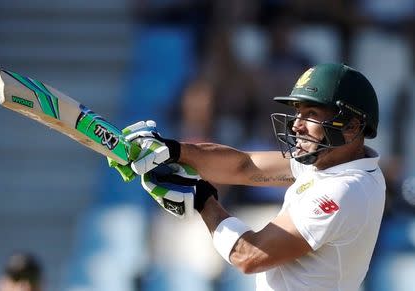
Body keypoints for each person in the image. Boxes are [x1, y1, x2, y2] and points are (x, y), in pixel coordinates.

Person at [109, 63, 386, 290]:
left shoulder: (345, 190)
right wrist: (173, 150)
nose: (297, 125)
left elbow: (250, 255)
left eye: (311, 114)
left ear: (351, 126)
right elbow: (246, 166)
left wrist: (202, 199)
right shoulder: (332, 164)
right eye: (298, 113)